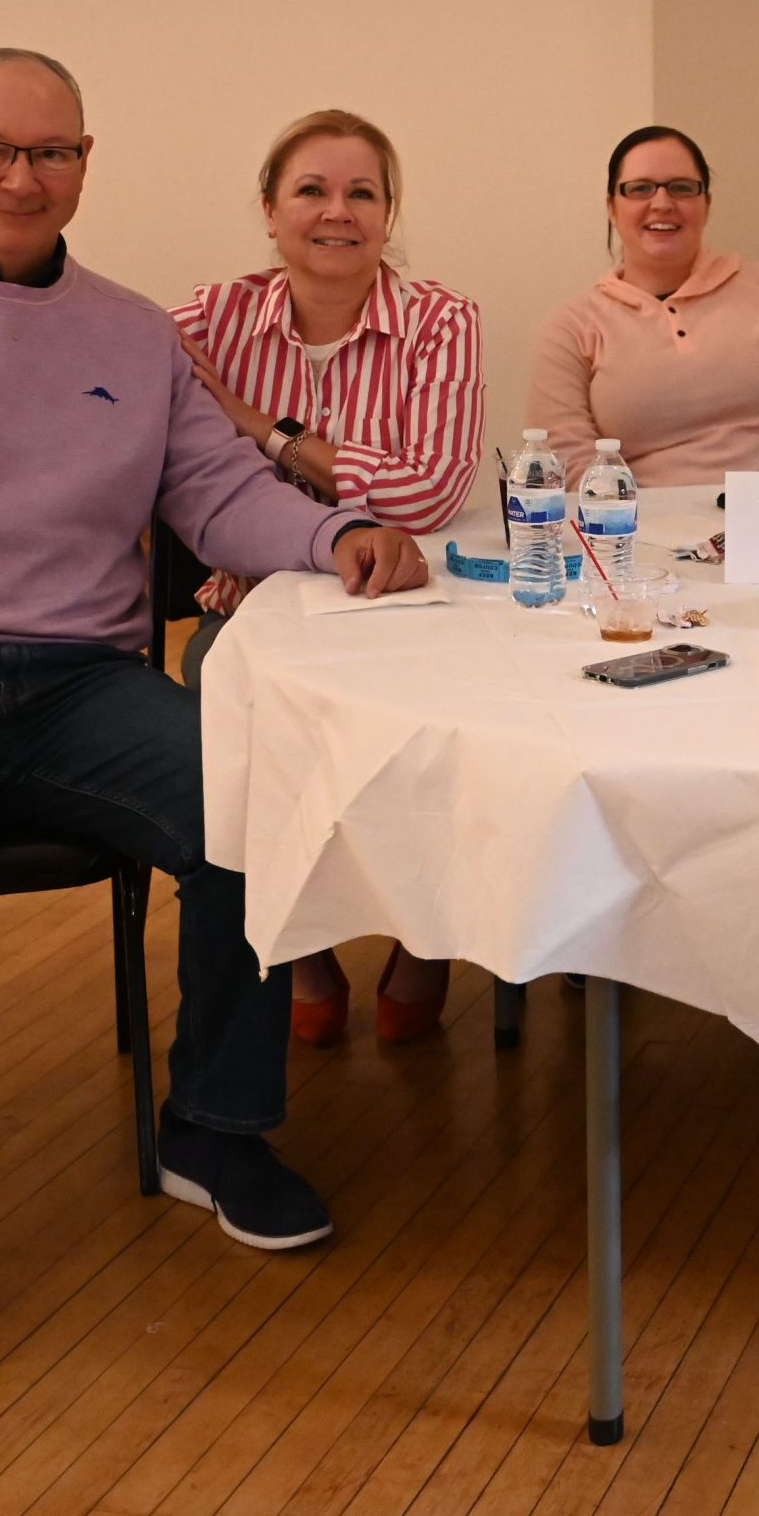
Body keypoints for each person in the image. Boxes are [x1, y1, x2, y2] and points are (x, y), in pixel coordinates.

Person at [0, 49, 428, 1375]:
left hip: (75, 683)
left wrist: (333, 532)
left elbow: (216, 489)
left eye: (51, 152)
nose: (21, 176)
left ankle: (213, 1126)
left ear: (85, 164)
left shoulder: (129, 331)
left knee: (254, 797)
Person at [172, 110, 483, 1046]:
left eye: (362, 193)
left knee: (443, 718)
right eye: (311, 189)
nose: (336, 211)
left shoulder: (441, 320)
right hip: (256, 596)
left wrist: (259, 428)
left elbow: (429, 491)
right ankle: (302, 944)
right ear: (270, 211)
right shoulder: (207, 318)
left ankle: (425, 937)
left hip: (402, 593)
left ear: (389, 215)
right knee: (221, 686)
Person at [526, 125, 759, 486]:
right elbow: (568, 461)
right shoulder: (571, 327)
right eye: (640, 188)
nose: (662, 203)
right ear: (612, 207)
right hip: (646, 520)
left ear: (706, 205)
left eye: (681, 187)